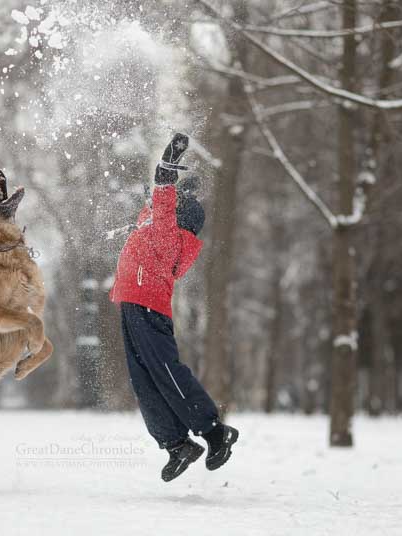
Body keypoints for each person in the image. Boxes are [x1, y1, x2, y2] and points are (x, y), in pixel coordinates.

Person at [109, 133, 239, 482]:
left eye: (168, 209)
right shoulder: (159, 227)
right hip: (133, 305)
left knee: (166, 373)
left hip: (147, 307)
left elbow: (161, 198)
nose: (154, 213)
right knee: (145, 381)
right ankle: (177, 444)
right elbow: (154, 207)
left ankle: (214, 432)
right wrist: (189, 189)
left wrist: (168, 166)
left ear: (176, 218)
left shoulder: (167, 235)